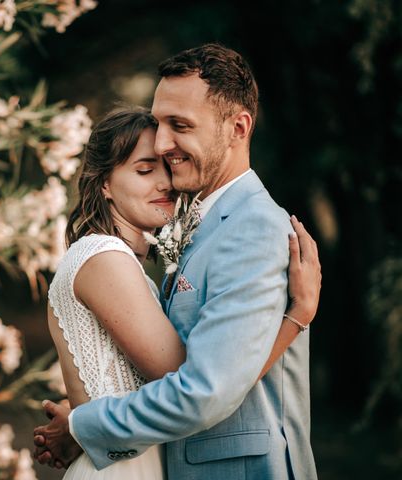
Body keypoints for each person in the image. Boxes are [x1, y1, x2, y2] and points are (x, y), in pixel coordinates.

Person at [37, 44, 321, 479]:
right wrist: (296, 318)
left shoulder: (252, 227)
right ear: (105, 184)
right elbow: (192, 375)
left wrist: (83, 425)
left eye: (180, 125)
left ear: (238, 128)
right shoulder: (196, 227)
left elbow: (204, 389)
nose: (165, 144)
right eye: (160, 124)